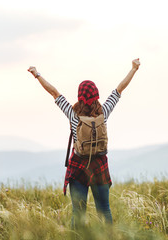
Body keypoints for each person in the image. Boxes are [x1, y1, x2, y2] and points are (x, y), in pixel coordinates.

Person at [27, 59, 140, 228]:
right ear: (97, 95)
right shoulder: (104, 112)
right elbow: (119, 89)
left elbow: (54, 92)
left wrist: (37, 74)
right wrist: (134, 69)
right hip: (99, 165)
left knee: (78, 212)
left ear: (79, 96)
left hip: (78, 165)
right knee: (104, 210)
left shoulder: (73, 115)